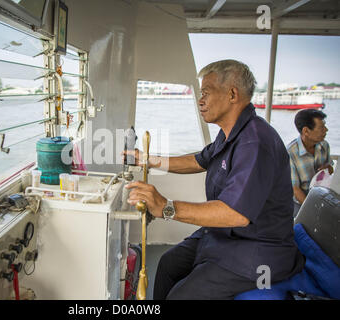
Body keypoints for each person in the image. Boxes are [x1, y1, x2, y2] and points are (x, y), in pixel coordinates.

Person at [122, 59, 305, 300]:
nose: (200, 100)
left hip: (256, 251)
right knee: (168, 263)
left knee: (181, 296)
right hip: (223, 237)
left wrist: (166, 207)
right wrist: (147, 159)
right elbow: (198, 160)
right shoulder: (230, 132)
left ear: (232, 94)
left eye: (206, 93)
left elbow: (235, 214)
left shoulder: (255, 142)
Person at [287, 109, 334, 217]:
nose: (326, 130)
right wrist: (312, 210)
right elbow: (295, 189)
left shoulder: (324, 145)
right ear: (306, 131)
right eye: (321, 128)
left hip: (322, 196)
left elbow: (330, 169)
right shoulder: (291, 153)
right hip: (300, 203)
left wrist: (328, 168)